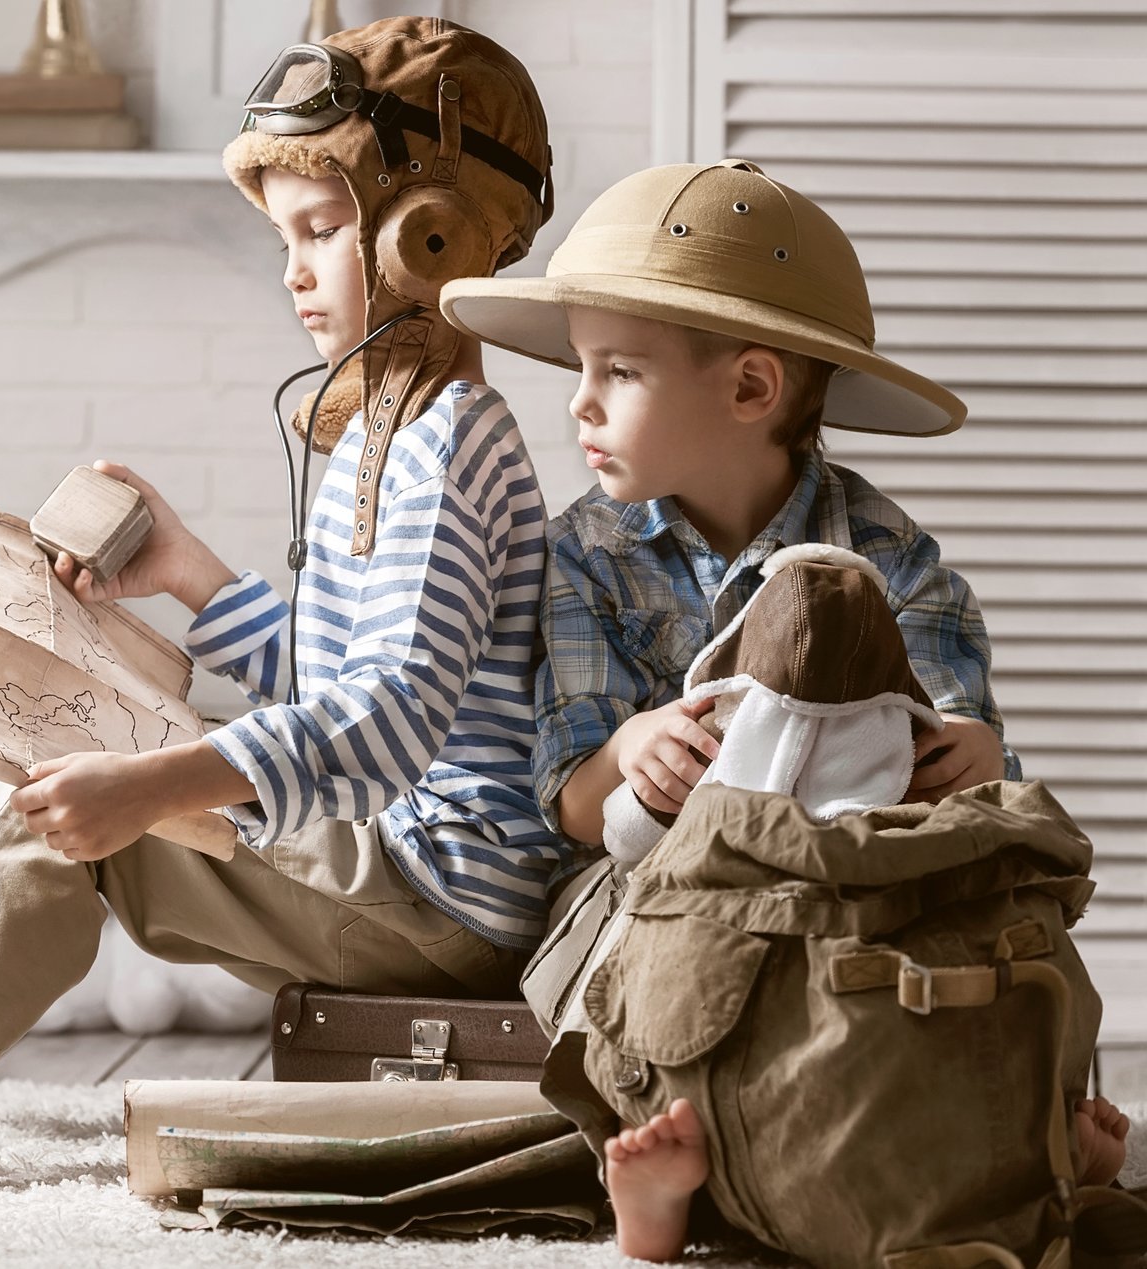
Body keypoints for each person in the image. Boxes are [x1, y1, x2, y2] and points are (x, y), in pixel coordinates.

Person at [0, 17, 560, 1192]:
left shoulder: (446, 445)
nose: (293, 269)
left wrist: (153, 783)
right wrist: (191, 573)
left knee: (58, 779)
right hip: (390, 860)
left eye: (321, 231)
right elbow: (337, 678)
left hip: (433, 895)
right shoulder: (379, 435)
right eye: (282, 239)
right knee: (12, 746)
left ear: (432, 238)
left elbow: (390, 720)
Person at [439, 158, 1130, 1259]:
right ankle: (667, 1188)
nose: (578, 402)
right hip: (685, 892)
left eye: (617, 370)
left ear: (752, 390)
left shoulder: (890, 557)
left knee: (981, 941)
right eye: (581, 367)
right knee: (628, 971)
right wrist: (626, 748)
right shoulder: (588, 555)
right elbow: (573, 806)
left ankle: (1032, 1140)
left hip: (858, 889)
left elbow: (967, 766)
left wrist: (976, 750)